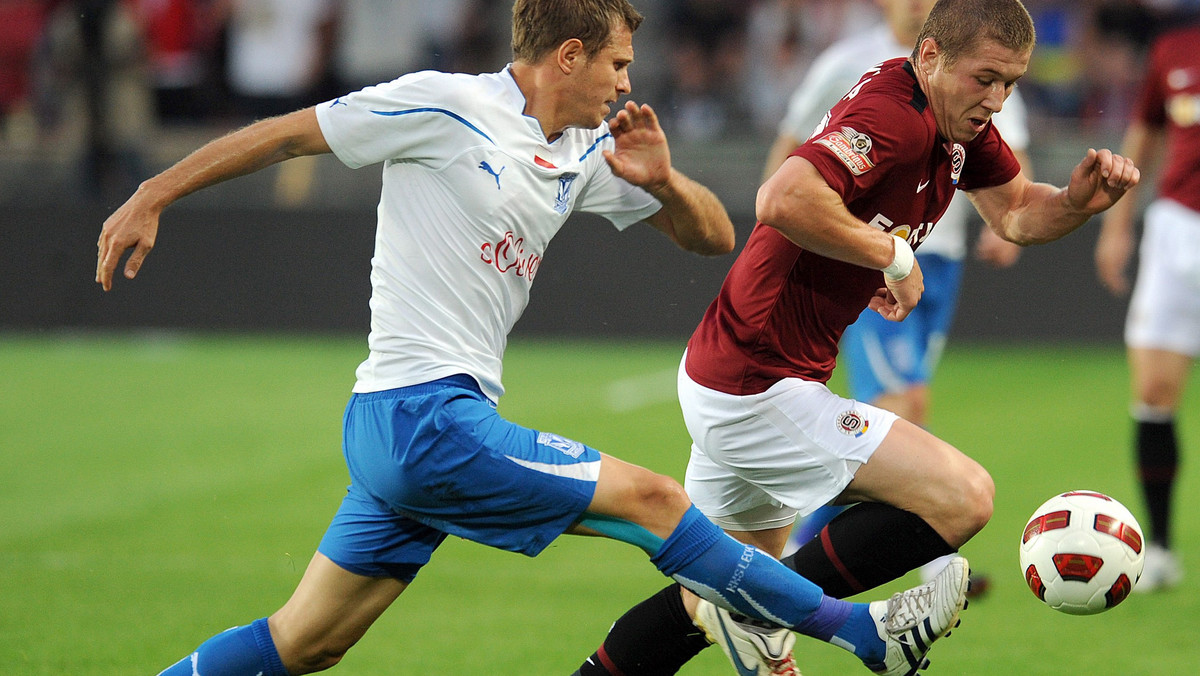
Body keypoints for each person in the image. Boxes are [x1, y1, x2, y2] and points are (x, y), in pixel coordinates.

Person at [94, 1, 972, 675]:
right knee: (658, 503)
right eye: (617, 65)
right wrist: (152, 194)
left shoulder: (581, 146)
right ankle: (861, 633)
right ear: (568, 55)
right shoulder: (443, 106)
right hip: (421, 416)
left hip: (414, 427)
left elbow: (714, 235)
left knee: (303, 644)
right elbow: (286, 137)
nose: (626, 84)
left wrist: (664, 182)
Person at [572, 1, 1140, 674]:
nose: (997, 97)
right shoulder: (893, 116)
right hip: (755, 386)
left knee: (709, 597)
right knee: (963, 496)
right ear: (931, 57)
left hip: (746, 372)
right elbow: (780, 198)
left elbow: (1016, 213)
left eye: (1010, 83)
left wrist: (1076, 202)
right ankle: (795, 617)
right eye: (985, 78)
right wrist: (894, 258)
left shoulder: (956, 124)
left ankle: (723, 620)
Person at [764, 0, 1032, 594]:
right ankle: (918, 561)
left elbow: (1010, 157)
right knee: (897, 400)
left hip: (944, 253)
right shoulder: (851, 64)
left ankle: (802, 559)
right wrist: (786, 240)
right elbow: (793, 150)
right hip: (877, 256)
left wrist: (1016, 218)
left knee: (911, 401)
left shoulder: (982, 67)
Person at [1094, 19, 1197, 593]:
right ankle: (1158, 546)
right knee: (1155, 394)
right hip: (1179, 231)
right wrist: (1118, 226)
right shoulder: (1173, 48)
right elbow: (1144, 134)